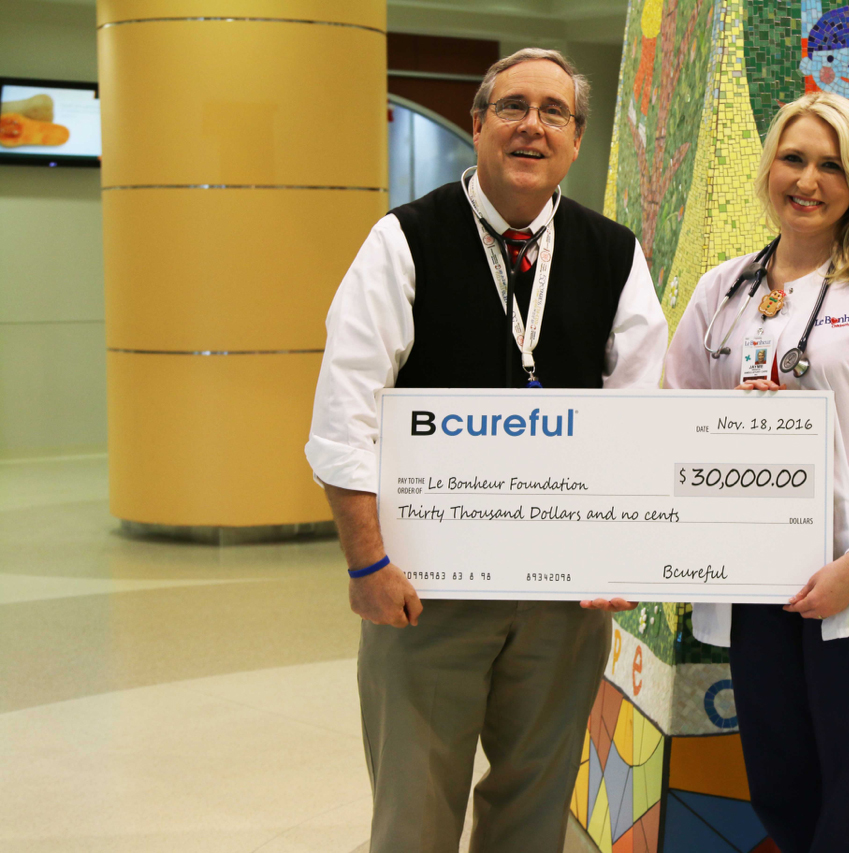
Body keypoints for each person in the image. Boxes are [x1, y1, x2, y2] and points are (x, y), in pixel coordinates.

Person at [305, 48, 667, 853]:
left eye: (554, 112)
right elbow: (342, 416)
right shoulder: (402, 242)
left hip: (561, 597)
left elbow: (641, 417)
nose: (531, 125)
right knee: (414, 809)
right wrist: (366, 566)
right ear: (477, 125)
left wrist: (622, 553)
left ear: (577, 140)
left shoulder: (615, 256)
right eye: (511, 107)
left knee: (535, 806)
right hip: (425, 589)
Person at [663, 92, 849, 852]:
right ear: (769, 167)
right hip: (759, 575)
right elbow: (673, 423)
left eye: (832, 164)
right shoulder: (723, 291)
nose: (809, 179)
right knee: (782, 783)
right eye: (794, 159)